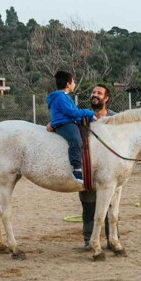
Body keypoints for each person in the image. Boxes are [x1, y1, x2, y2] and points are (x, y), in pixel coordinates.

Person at [47, 83, 117, 248]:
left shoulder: (114, 119)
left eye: (99, 93)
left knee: (110, 206)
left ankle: (112, 239)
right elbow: (66, 127)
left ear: (106, 98)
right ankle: (88, 241)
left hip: (107, 171)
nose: (95, 95)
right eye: (93, 92)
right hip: (88, 169)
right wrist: (52, 125)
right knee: (88, 208)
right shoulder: (81, 116)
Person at [46, 71, 96, 183]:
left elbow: (73, 113)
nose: (74, 83)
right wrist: (89, 113)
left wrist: (89, 118)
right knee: (75, 139)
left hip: (69, 121)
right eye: (73, 81)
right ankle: (77, 168)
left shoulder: (64, 96)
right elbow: (71, 112)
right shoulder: (60, 97)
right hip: (64, 124)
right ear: (68, 84)